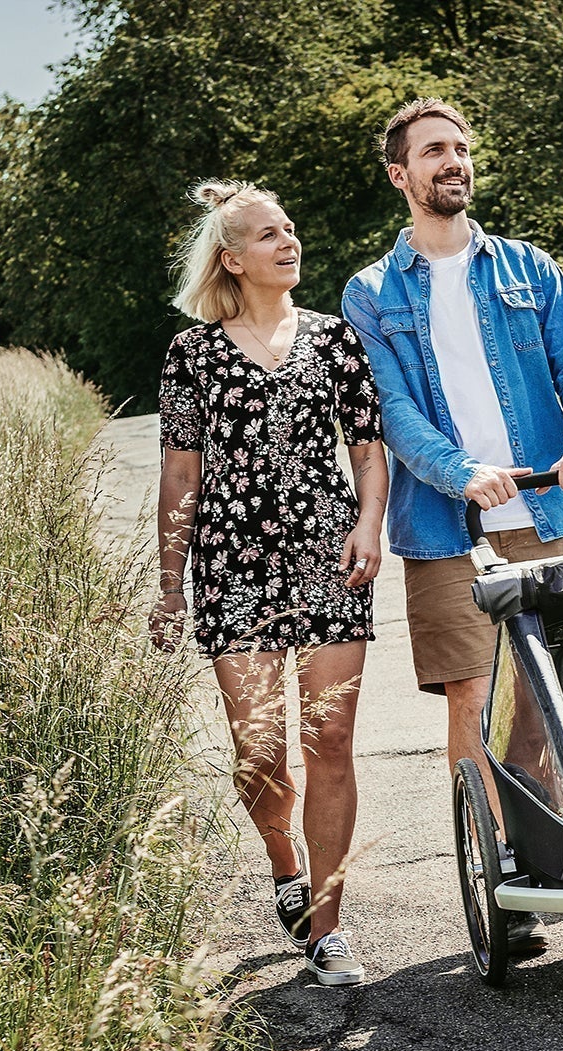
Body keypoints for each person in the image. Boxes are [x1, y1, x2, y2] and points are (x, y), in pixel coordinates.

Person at [340, 97, 563, 957]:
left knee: (550, 684)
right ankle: (499, 870)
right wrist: (462, 471)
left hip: (545, 502)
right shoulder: (372, 292)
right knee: (472, 690)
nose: (452, 162)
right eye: (433, 152)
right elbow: (390, 409)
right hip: (443, 521)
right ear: (401, 175)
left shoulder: (528, 267)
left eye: (460, 148)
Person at [152, 179, 387, 987]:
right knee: (260, 755)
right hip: (233, 568)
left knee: (330, 745)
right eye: (266, 235)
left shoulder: (335, 339)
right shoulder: (193, 354)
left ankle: (327, 925)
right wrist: (170, 584)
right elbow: (181, 472)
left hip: (331, 559)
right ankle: (285, 864)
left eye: (290, 228)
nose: (288, 242)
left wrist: (368, 522)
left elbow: (366, 448)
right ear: (231, 259)